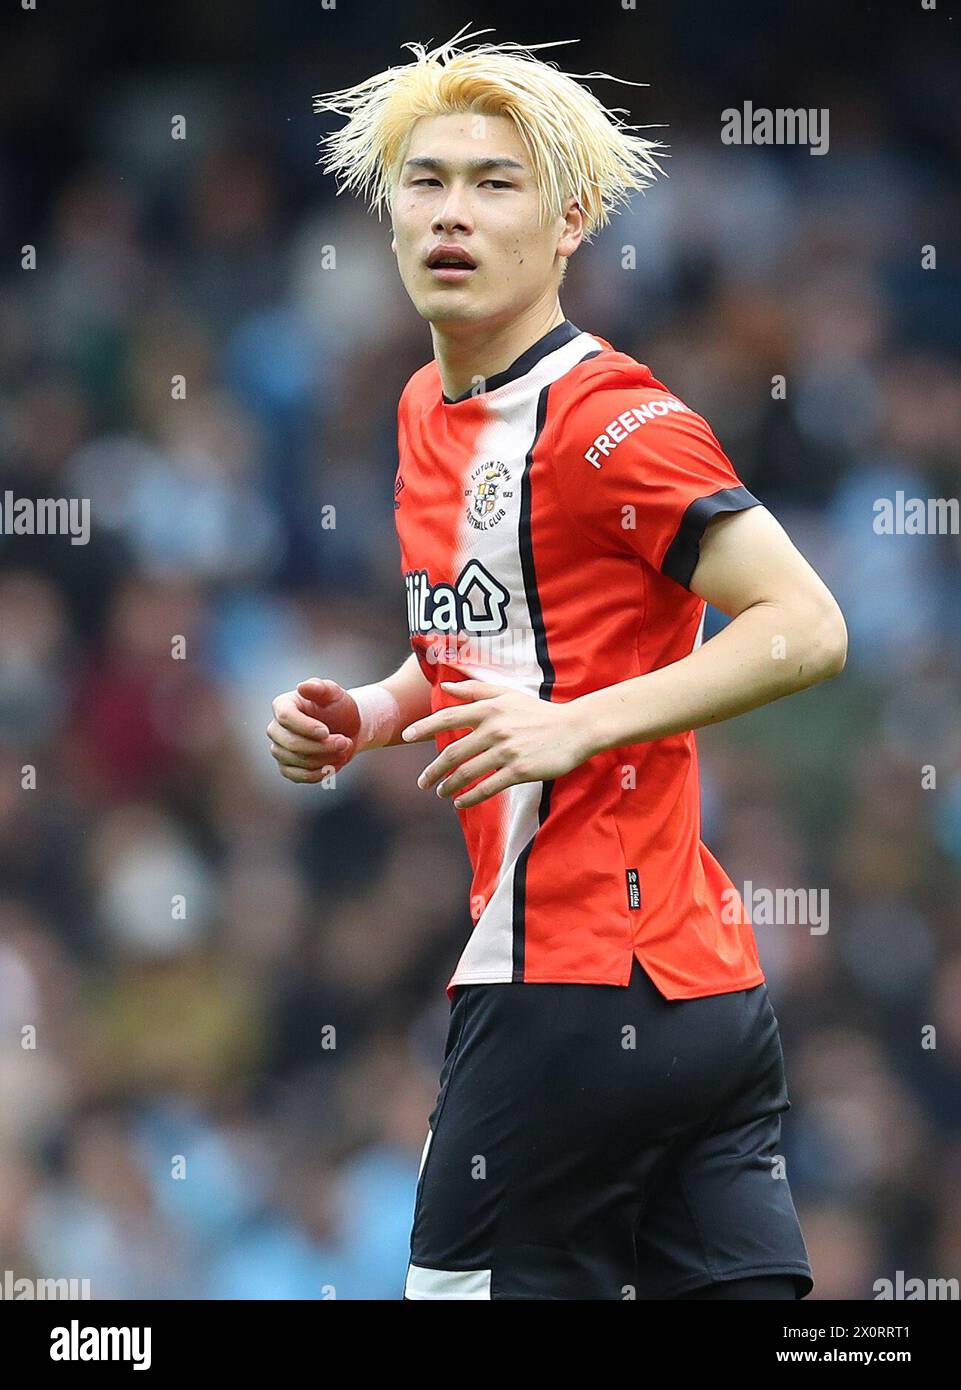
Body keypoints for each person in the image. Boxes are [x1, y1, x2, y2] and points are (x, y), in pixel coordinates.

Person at [268, 27, 846, 1300]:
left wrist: (576, 726)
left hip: (567, 988)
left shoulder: (608, 422)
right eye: (426, 182)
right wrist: (367, 711)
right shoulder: (427, 407)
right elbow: (483, 648)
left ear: (571, 220)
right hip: (699, 1003)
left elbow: (804, 626)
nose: (452, 214)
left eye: (495, 182)